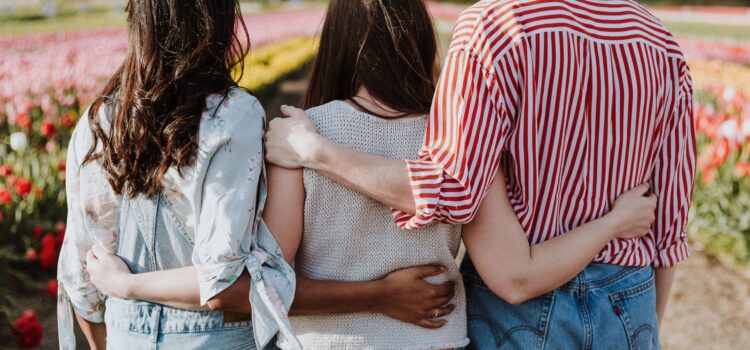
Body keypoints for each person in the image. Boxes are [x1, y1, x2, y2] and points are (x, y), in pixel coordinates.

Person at [264, 0, 696, 349]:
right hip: (629, 301)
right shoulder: (659, 40)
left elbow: (453, 184)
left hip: (525, 311)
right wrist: (642, 324)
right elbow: (670, 221)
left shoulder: (494, 26)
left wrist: (316, 151)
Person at [56, 1, 298, 349]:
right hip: (214, 337)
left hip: (125, 335)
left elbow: (83, 277)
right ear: (217, 21)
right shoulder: (232, 114)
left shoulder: (100, 122)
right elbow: (220, 280)